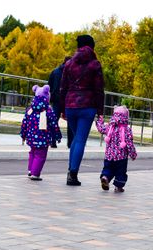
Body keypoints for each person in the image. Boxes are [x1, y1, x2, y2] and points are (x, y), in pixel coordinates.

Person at [60, 34, 105, 186]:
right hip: (87, 106)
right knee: (80, 140)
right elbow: (99, 89)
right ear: (92, 46)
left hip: (70, 105)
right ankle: (72, 174)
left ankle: (70, 171)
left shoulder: (68, 64)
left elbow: (63, 88)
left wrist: (61, 108)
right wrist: (100, 111)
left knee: (75, 139)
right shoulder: (95, 64)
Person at [20, 84, 62, 181]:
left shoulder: (30, 110)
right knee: (40, 155)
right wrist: (57, 136)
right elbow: (54, 124)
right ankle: (35, 173)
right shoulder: (48, 111)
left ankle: (30, 170)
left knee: (32, 153)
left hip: (31, 137)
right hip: (43, 139)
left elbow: (24, 123)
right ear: (47, 97)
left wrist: (23, 134)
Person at [95, 105, 137, 192]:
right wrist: (133, 154)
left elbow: (101, 128)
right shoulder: (127, 130)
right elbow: (129, 144)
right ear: (126, 117)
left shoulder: (109, 127)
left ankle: (105, 177)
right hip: (121, 158)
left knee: (107, 169)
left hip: (109, 156)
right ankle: (118, 187)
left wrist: (100, 121)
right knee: (120, 173)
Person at [48, 56, 72, 148]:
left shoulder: (55, 72)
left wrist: (51, 97)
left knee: (54, 121)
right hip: (67, 100)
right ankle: (70, 143)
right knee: (70, 122)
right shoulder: (71, 73)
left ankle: (53, 141)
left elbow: (49, 85)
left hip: (57, 100)